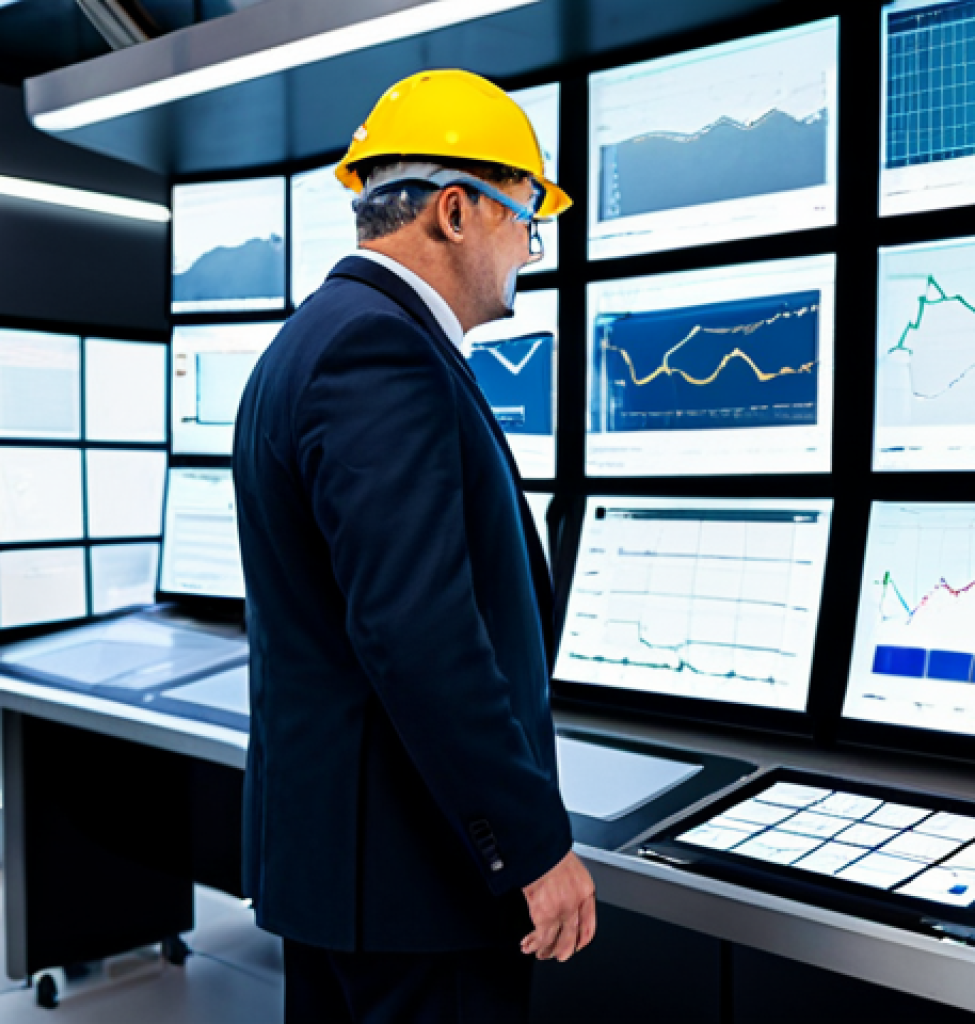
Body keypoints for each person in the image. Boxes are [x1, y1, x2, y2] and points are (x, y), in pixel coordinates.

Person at [232, 69, 596, 1024]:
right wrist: (532, 846)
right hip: (412, 883)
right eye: (526, 217)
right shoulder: (378, 353)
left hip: (350, 870)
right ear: (455, 211)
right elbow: (417, 630)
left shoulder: (313, 340)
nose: (530, 247)